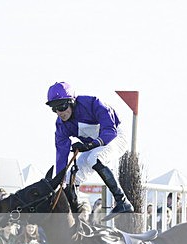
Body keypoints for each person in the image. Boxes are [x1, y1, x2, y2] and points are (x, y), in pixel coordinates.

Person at [45, 81, 132, 220]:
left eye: (62, 107)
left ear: (72, 102)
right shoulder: (61, 126)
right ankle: (75, 214)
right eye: (54, 109)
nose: (59, 113)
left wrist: (90, 145)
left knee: (94, 158)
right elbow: (61, 157)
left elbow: (110, 131)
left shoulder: (93, 103)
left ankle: (122, 201)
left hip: (116, 137)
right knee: (69, 178)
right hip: (94, 145)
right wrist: (59, 181)